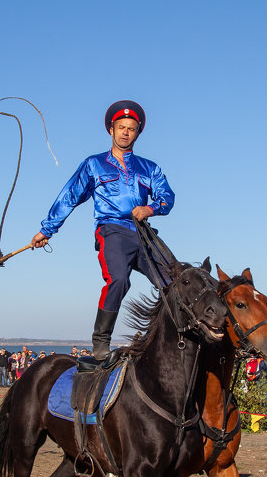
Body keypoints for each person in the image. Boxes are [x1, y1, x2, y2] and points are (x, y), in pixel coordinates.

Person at [30, 100, 175, 360]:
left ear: (137, 133)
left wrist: (150, 209)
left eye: (131, 129)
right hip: (112, 230)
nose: (125, 132)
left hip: (143, 233)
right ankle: (101, 340)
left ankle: (171, 340)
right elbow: (69, 196)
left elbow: (167, 197)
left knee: (173, 282)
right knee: (119, 278)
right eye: (121, 127)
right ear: (111, 129)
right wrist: (47, 230)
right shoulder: (94, 164)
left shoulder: (149, 168)